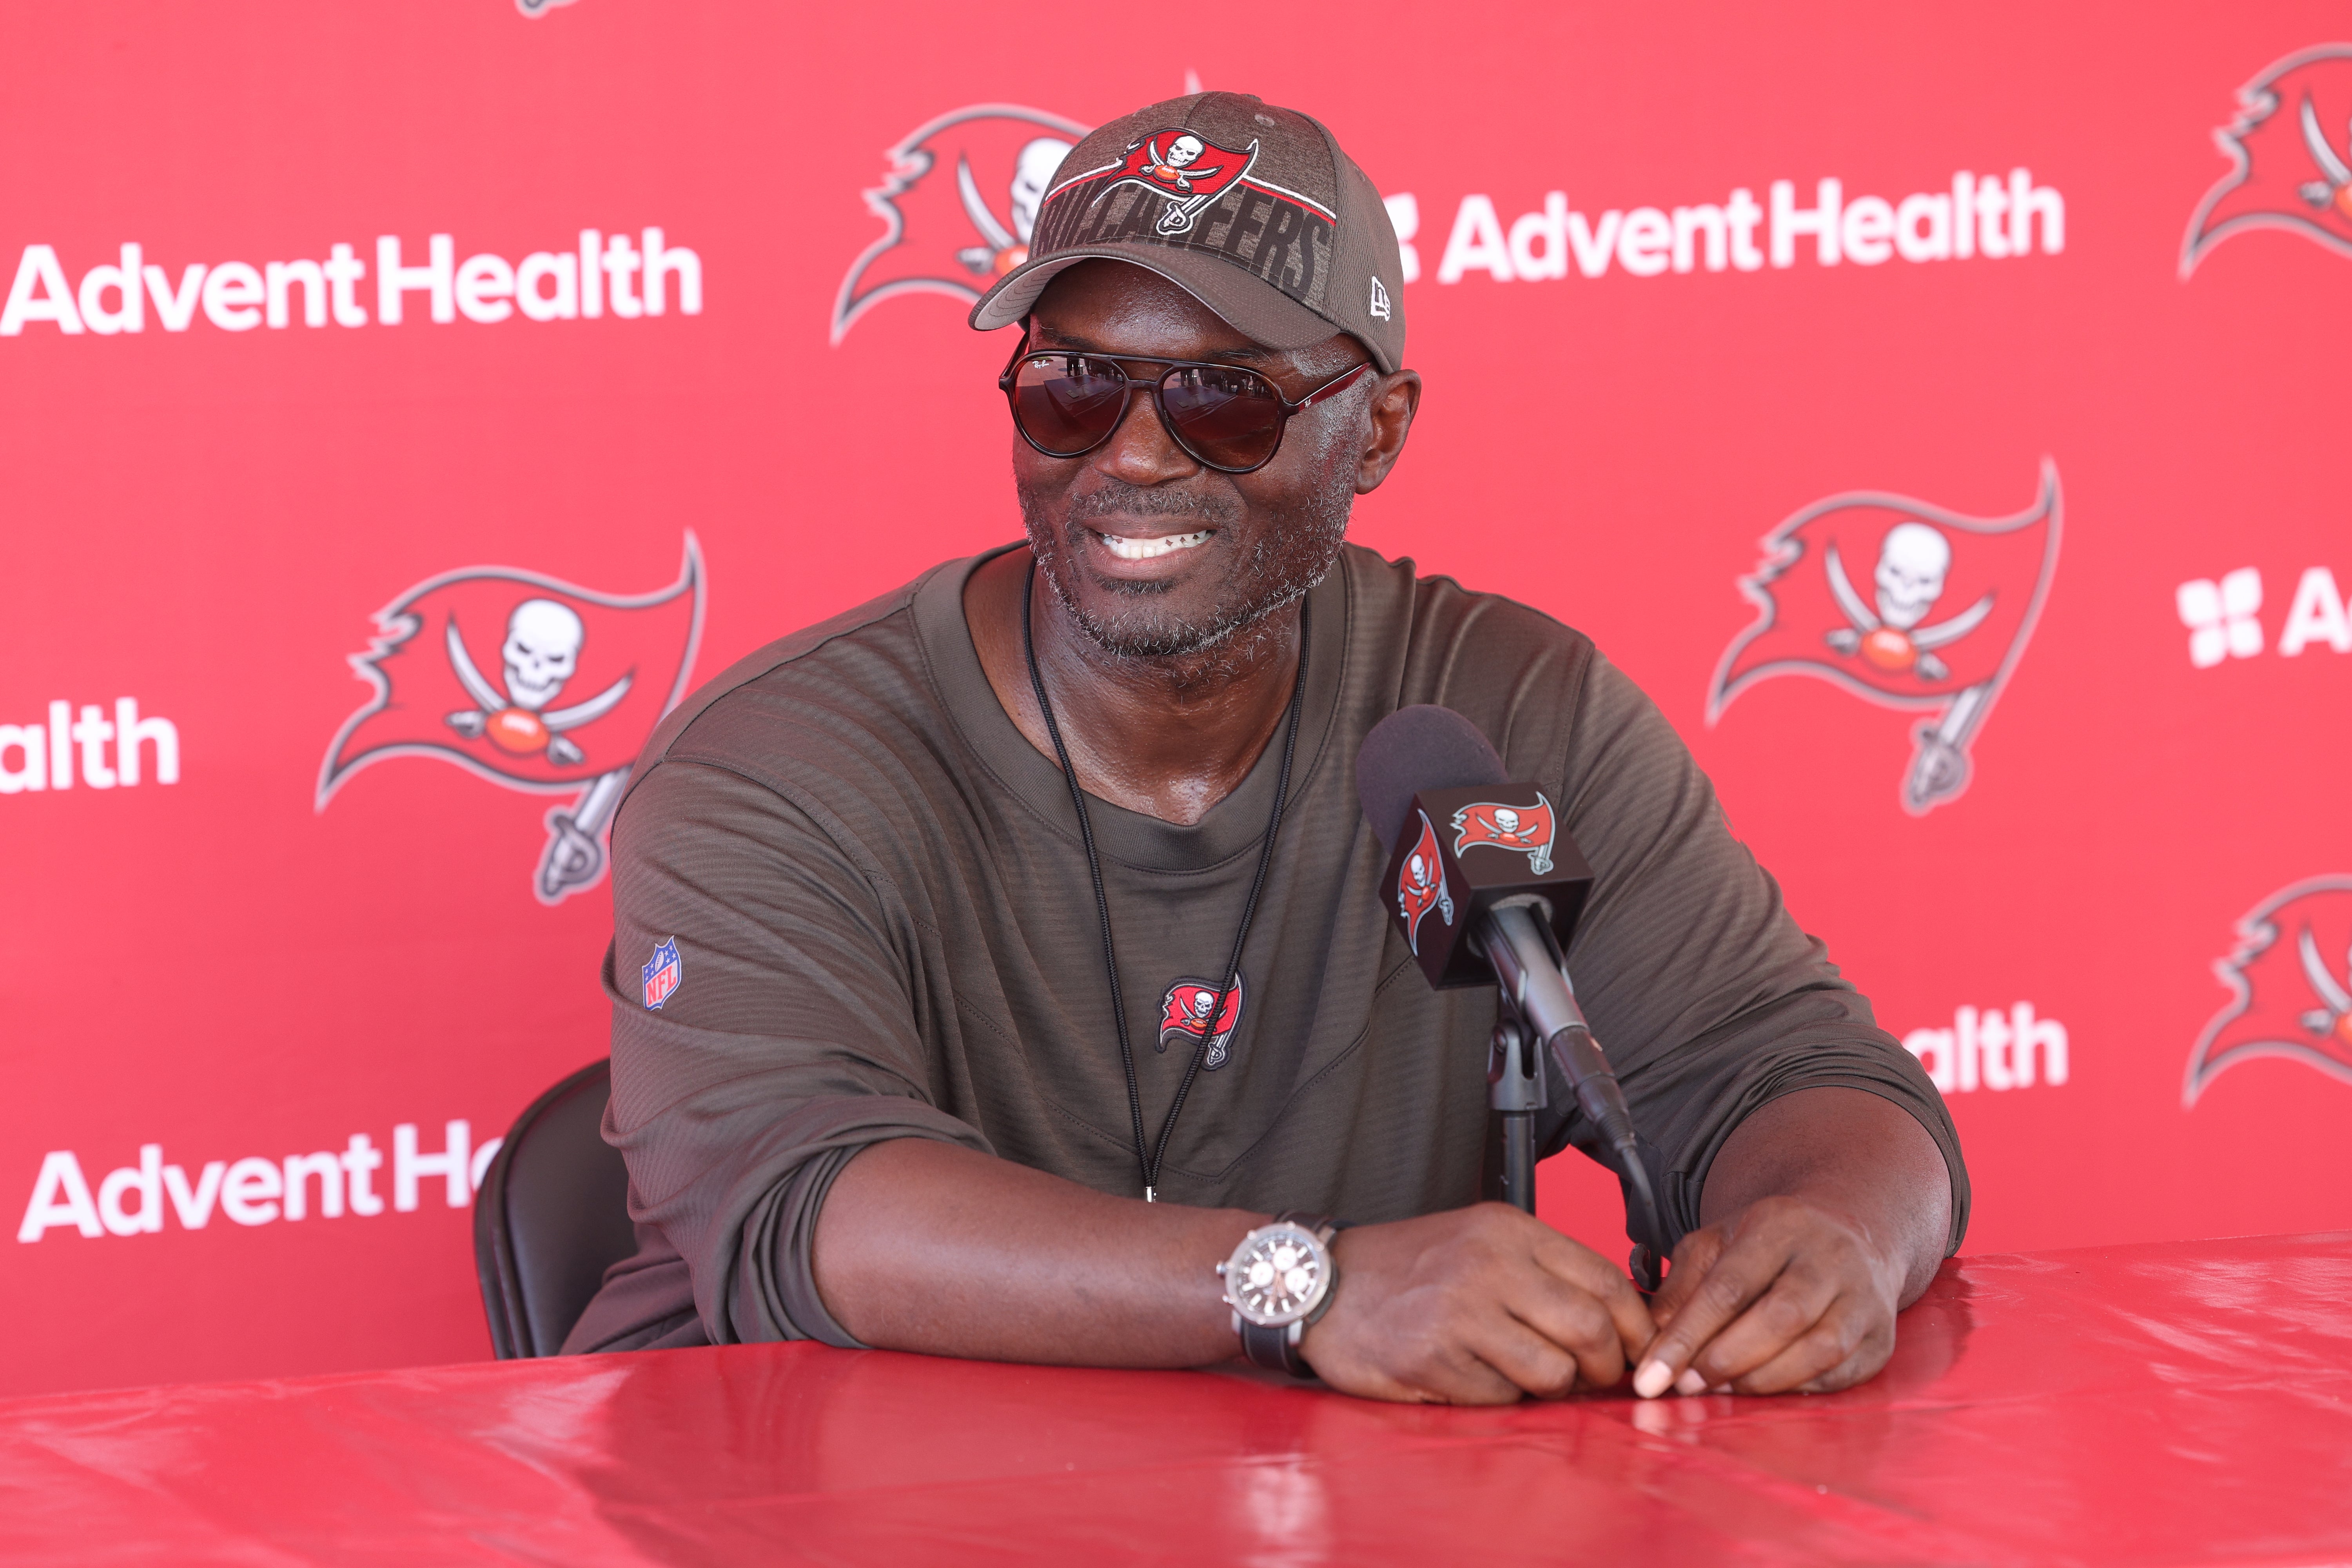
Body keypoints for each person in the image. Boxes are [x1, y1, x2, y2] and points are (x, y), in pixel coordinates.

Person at [565, 91, 1966, 1405]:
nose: (1131, 455)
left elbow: (1793, 1073)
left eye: (1223, 401)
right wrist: (1306, 1287)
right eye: (1073, 388)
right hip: (815, 1498)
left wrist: (1836, 1237)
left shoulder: (1506, 708)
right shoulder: (776, 766)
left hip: (1325, 1501)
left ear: (1377, 434)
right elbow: (806, 1208)